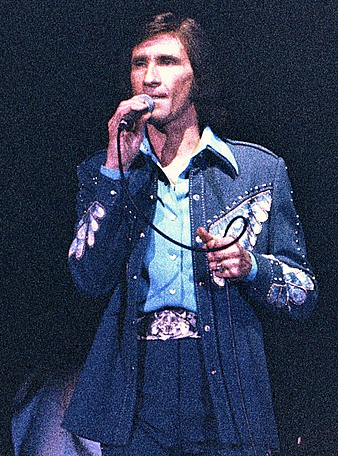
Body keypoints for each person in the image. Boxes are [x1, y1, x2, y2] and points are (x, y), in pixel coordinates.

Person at [62, 12, 317, 456]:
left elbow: (304, 293)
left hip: (226, 384)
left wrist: (251, 267)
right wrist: (114, 170)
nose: (150, 77)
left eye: (167, 61)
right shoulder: (104, 173)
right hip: (138, 389)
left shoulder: (257, 171)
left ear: (197, 78)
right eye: (139, 64)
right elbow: (87, 277)